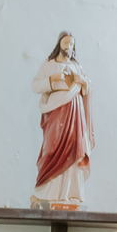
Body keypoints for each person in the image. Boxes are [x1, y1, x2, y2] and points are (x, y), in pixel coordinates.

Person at [30, 31, 93, 206]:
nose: (69, 47)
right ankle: (47, 191)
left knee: (74, 149)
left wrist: (82, 81)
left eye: (71, 44)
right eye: (66, 43)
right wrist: (53, 79)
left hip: (74, 112)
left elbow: (87, 87)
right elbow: (35, 85)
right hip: (55, 111)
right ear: (59, 44)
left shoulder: (76, 67)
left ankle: (70, 193)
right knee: (51, 149)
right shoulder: (48, 65)